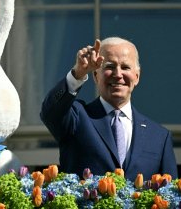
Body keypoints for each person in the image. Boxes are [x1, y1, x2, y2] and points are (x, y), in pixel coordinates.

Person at [40, 37, 178, 181]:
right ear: (95, 75)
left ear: (137, 77)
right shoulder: (77, 117)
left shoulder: (159, 137)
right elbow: (49, 112)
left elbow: (171, 195)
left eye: (125, 67)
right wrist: (78, 73)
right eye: (110, 67)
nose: (118, 74)